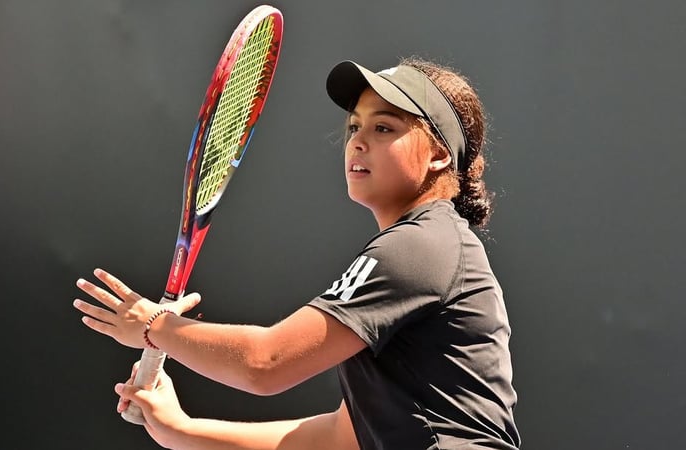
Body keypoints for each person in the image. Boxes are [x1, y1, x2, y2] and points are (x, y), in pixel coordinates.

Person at [73, 57, 521, 450]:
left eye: (383, 127)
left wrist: (154, 326)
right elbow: (341, 438)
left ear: (439, 155)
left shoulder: (419, 245)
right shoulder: (429, 244)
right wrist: (182, 431)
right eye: (354, 126)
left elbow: (266, 363)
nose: (357, 141)